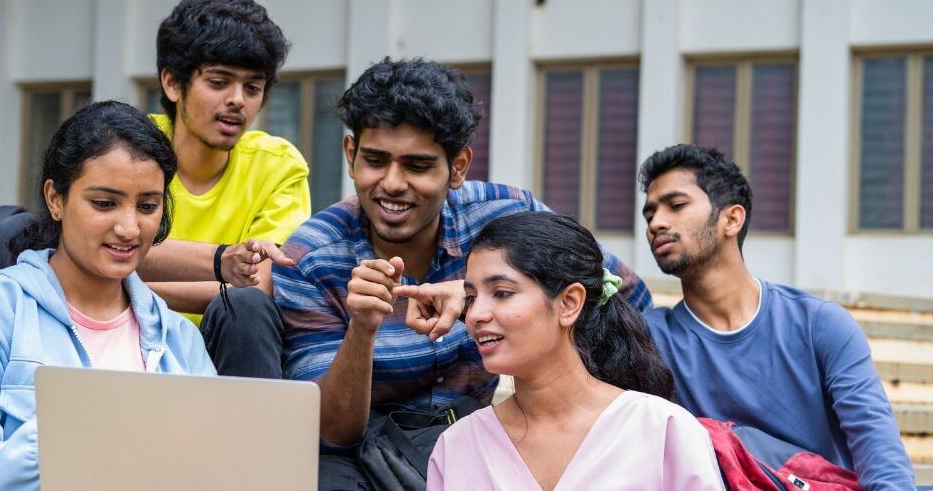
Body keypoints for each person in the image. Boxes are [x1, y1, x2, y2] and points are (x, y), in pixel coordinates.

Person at [272, 57, 653, 488]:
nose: (393, 184)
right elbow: (332, 433)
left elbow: (621, 292)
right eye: (375, 160)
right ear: (350, 154)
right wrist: (362, 330)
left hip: (483, 438)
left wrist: (477, 292)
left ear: (458, 167)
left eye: (417, 166)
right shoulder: (311, 258)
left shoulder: (507, 216)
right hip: (360, 457)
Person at [0, 101, 217, 490]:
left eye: (147, 206)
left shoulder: (179, 339)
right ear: (56, 199)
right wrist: (67, 435)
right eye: (104, 203)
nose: (128, 227)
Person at [638, 144, 914, 489]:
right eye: (649, 214)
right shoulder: (650, 340)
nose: (656, 224)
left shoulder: (818, 323)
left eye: (676, 206)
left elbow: (878, 448)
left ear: (731, 219)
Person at [426, 212, 723, 490]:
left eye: (502, 293)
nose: (476, 314)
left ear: (569, 303)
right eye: (470, 297)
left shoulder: (663, 429)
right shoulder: (457, 446)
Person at [138, 0, 312, 378]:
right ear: (172, 83)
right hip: (122, 335)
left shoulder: (278, 166)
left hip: (221, 351)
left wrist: (124, 289)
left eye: (252, 88)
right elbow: (82, 248)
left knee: (245, 309)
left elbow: (256, 288)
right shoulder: (129, 147)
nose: (238, 101)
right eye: (219, 82)